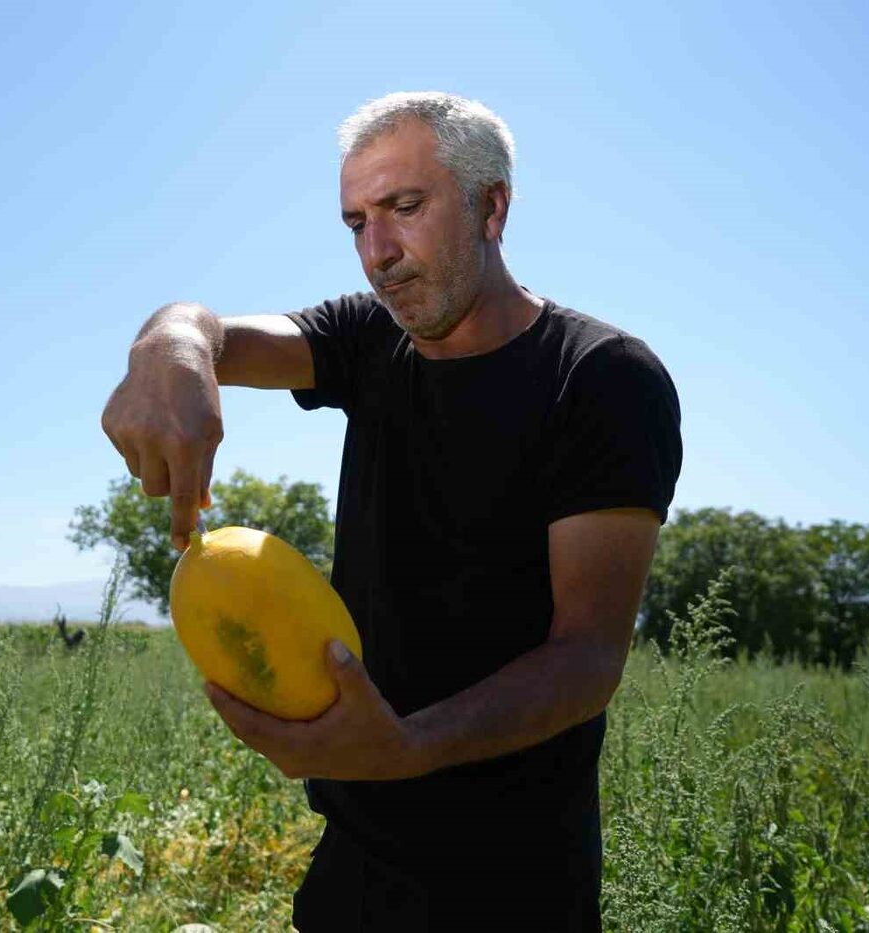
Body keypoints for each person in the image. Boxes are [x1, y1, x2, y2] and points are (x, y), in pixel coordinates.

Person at [101, 91, 682, 931]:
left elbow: (587, 657)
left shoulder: (600, 377)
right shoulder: (367, 340)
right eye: (355, 222)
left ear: (493, 207)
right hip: (353, 863)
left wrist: (406, 747)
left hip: (515, 883)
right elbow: (213, 334)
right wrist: (172, 343)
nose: (378, 253)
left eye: (405, 208)